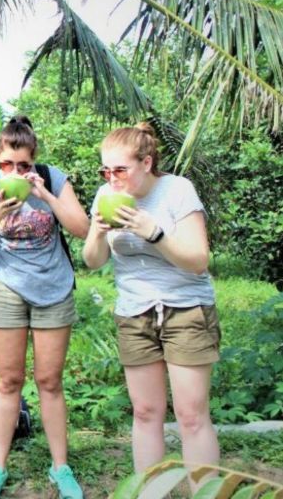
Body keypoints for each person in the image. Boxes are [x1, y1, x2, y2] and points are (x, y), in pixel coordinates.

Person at [82, 123, 219, 487]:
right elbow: (93, 261)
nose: (111, 178)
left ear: (146, 162)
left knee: (191, 416)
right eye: (105, 171)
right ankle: (151, 493)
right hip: (135, 313)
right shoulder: (104, 195)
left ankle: (205, 494)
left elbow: (198, 260)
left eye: (119, 170)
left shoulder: (177, 191)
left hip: (186, 310)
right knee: (145, 412)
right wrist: (96, 231)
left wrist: (153, 232)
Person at [0, 116, 89, 499]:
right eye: (8, 164)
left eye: (23, 165)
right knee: (9, 382)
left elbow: (83, 229)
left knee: (50, 381)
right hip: (7, 289)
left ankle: (60, 467)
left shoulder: (54, 179)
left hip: (54, 287)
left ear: (34, 161)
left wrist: (46, 195)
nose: (15, 171)